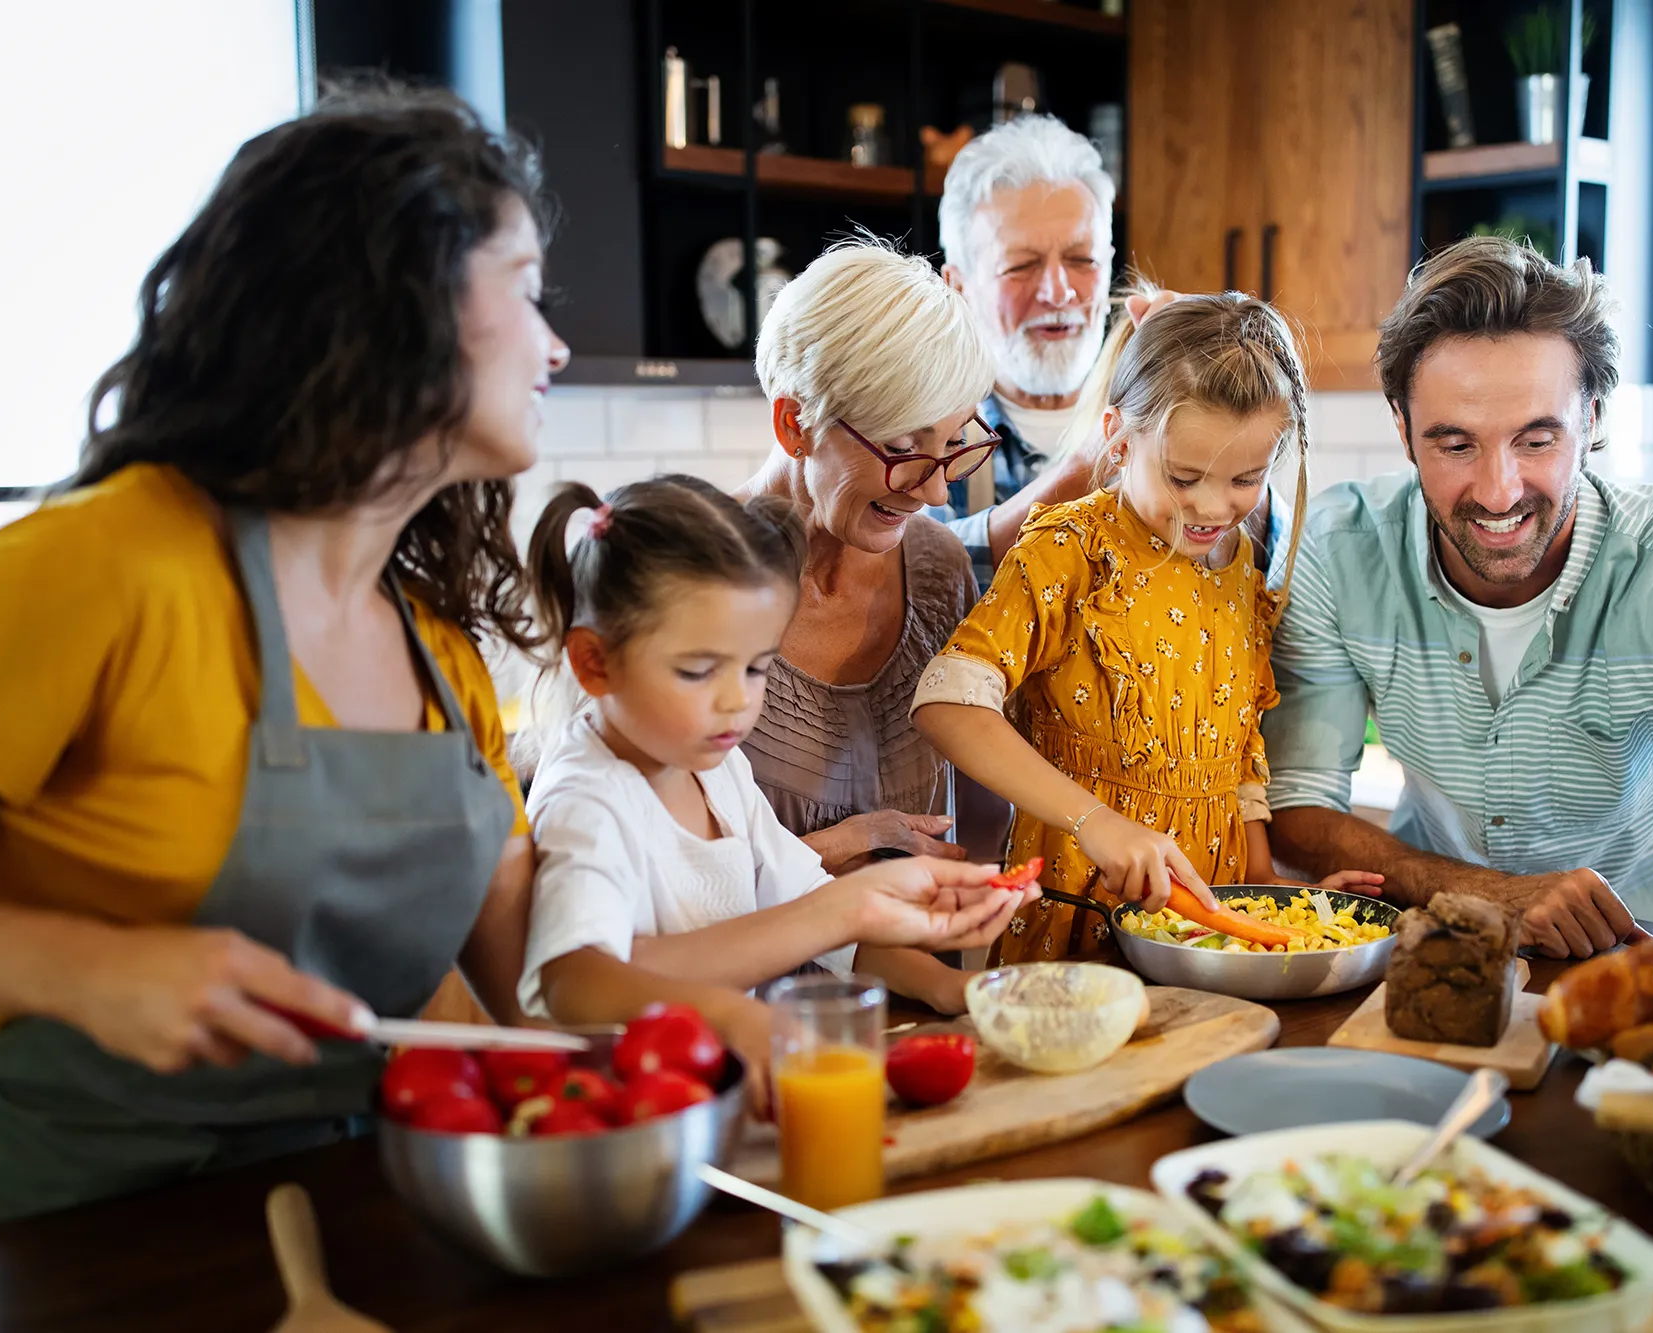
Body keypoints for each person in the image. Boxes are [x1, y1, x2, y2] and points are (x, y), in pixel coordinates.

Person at [0, 85, 670, 1232]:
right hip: (57, 1238)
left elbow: (537, 985)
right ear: (396, 303)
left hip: (355, 1218)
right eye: (525, 290)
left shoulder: (436, 650)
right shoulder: (99, 564)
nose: (557, 341)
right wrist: (82, 969)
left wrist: (708, 1031)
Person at [1260, 237, 1653, 986]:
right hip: (1437, 960)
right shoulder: (1338, 549)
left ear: (1594, 417)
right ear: (1401, 427)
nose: (1499, 490)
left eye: (1537, 439)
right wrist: (1490, 894)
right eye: (1454, 444)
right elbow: (1296, 806)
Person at [914, 293, 1381, 965]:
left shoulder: (1240, 567)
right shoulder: (1070, 551)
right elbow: (946, 703)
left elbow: (1238, 758)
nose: (1213, 507)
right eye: (1184, 476)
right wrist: (1094, 821)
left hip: (1210, 928)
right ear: (1118, 434)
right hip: (1080, 914)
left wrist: (1268, 894)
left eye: (1246, 478)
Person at [514, 476, 1030, 1053]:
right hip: (645, 1112)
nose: (737, 701)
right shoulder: (587, 799)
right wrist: (732, 1013)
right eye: (697, 671)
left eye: (756, 668)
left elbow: (811, 913)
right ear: (593, 662)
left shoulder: (716, 767)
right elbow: (574, 982)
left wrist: (949, 986)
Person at [938, 115, 1293, 596]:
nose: (1059, 291)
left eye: (1082, 260)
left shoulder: (1166, 394)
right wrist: (1095, 460)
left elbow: (1276, 568)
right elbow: (920, 580)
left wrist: (1214, 411)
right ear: (958, 285)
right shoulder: (928, 431)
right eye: (1021, 266)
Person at [735, 241, 999, 888]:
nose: (936, 492)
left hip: (917, 985)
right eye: (903, 446)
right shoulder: (682, 575)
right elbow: (644, 877)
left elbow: (983, 809)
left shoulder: (937, 569)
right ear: (795, 423)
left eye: (956, 443)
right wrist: (853, 844)